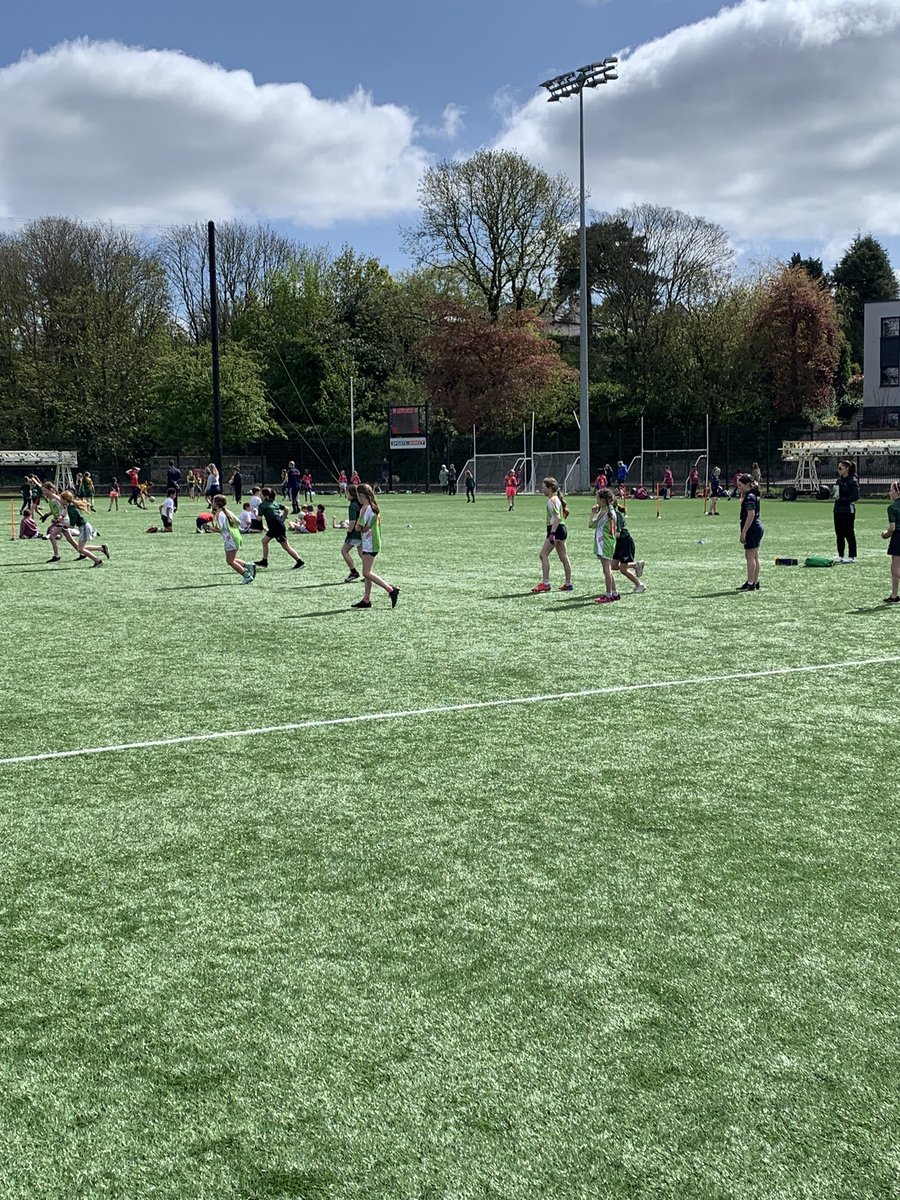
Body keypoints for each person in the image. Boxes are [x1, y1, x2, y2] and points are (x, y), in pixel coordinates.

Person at [351, 483, 399, 609]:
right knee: (368, 573)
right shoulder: (374, 507)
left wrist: (355, 526)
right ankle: (366, 599)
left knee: (366, 572)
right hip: (375, 541)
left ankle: (390, 589)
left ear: (362, 496)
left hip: (369, 543)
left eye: (358, 496)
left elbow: (358, 527)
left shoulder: (365, 508)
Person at [532, 477, 572, 593]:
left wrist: (552, 534)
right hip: (562, 529)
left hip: (556, 529)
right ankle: (568, 583)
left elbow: (557, 518)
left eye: (544, 488)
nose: (542, 490)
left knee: (543, 555)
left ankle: (545, 583)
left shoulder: (552, 500)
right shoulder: (556, 499)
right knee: (564, 557)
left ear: (549, 488)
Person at [254, 488, 305, 571]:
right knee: (264, 541)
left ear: (266, 496)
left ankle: (300, 562)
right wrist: (283, 519)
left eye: (261, 495)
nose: (260, 496)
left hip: (275, 526)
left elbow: (259, 519)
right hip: (277, 525)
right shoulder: (275, 503)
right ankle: (264, 561)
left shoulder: (262, 505)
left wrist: (254, 512)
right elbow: (286, 509)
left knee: (286, 546)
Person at [210, 494, 255, 583]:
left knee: (230, 561)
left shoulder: (220, 515)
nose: (212, 503)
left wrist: (208, 527)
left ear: (217, 504)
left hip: (230, 539)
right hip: (236, 537)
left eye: (213, 501)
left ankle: (246, 575)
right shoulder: (227, 512)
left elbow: (219, 529)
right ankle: (249, 565)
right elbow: (238, 522)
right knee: (231, 560)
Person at [60, 490, 108, 566]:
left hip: (84, 527)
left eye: (61, 499)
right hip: (84, 527)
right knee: (81, 548)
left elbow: (72, 525)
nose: (60, 500)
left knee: (80, 549)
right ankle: (102, 548)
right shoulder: (70, 506)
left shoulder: (71, 509)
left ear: (65, 500)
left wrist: (63, 525)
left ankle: (98, 561)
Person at [737, 473, 763, 591]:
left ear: (747, 484)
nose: (739, 488)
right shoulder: (752, 495)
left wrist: (743, 532)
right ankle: (755, 581)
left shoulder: (749, 497)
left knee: (750, 556)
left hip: (752, 528)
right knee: (755, 556)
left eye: (740, 485)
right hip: (756, 527)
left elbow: (751, 514)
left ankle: (751, 582)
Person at [833, 459, 860, 564]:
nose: (838, 470)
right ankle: (840, 555)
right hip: (838, 510)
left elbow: (855, 496)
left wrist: (842, 499)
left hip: (848, 510)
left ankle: (852, 556)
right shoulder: (839, 480)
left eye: (840, 468)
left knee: (848, 532)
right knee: (839, 533)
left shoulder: (852, 480)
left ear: (847, 469)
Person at [881, 480, 900, 603]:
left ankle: (894, 595)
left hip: (898, 538)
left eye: (891, 490)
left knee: (895, 569)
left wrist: (884, 534)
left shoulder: (892, 507)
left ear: (898, 492)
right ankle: (894, 595)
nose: (890, 492)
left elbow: (892, 528)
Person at [341, 483, 363, 582]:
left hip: (355, 533)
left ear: (352, 494)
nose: (346, 494)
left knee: (344, 551)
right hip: (362, 532)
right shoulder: (361, 504)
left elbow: (353, 521)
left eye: (347, 492)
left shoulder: (352, 506)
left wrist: (349, 532)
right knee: (362, 554)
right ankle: (368, 573)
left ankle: (353, 572)